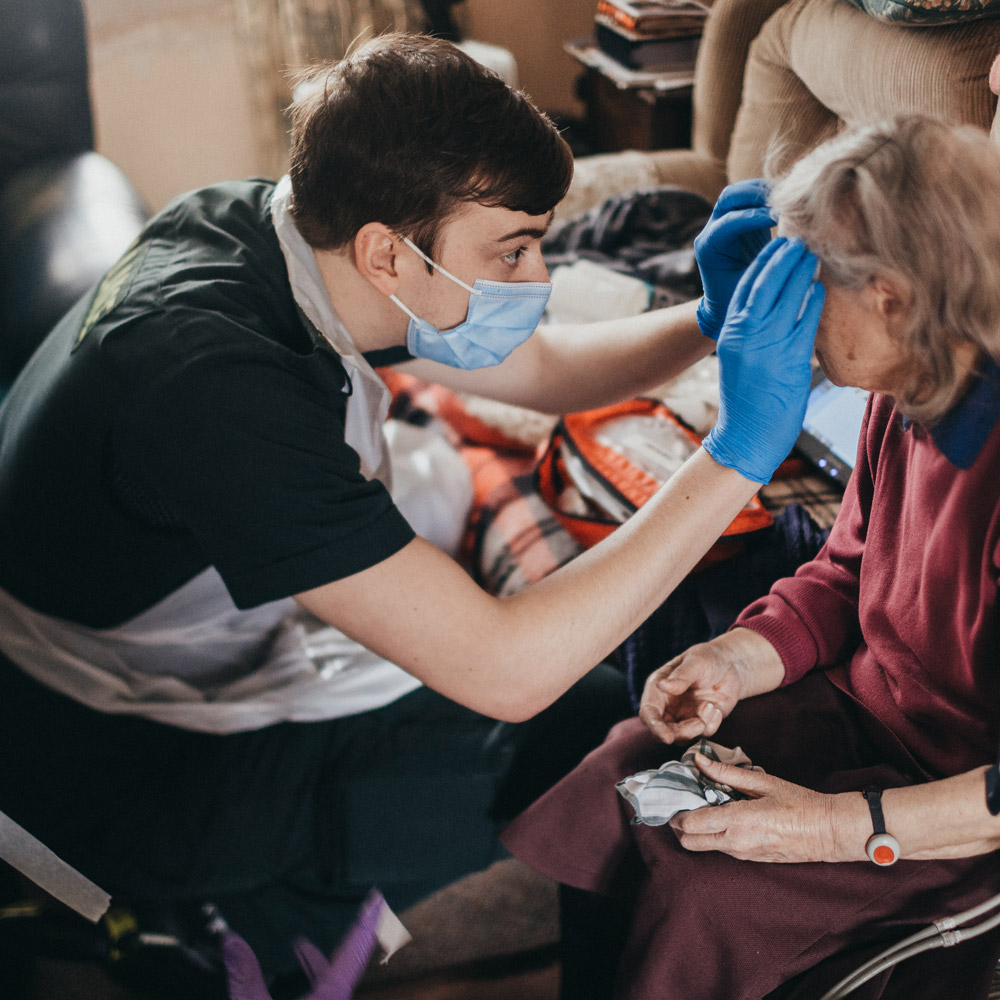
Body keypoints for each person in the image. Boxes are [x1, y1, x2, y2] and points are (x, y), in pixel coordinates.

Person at [0, 33, 821, 981]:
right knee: (573, 741)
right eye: (513, 251)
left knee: (595, 714)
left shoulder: (274, 233)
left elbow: (542, 369)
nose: (537, 281)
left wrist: (707, 324)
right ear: (388, 253)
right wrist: (737, 455)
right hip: (106, 762)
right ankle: (219, 932)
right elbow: (507, 671)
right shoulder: (211, 383)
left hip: (166, 649)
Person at [502, 114, 1000, 1000]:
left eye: (813, 287)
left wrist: (839, 828)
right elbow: (846, 572)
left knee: (704, 892)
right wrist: (733, 659)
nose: (795, 316)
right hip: (860, 713)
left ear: (889, 295)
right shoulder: (907, 391)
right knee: (619, 776)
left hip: (955, 814)